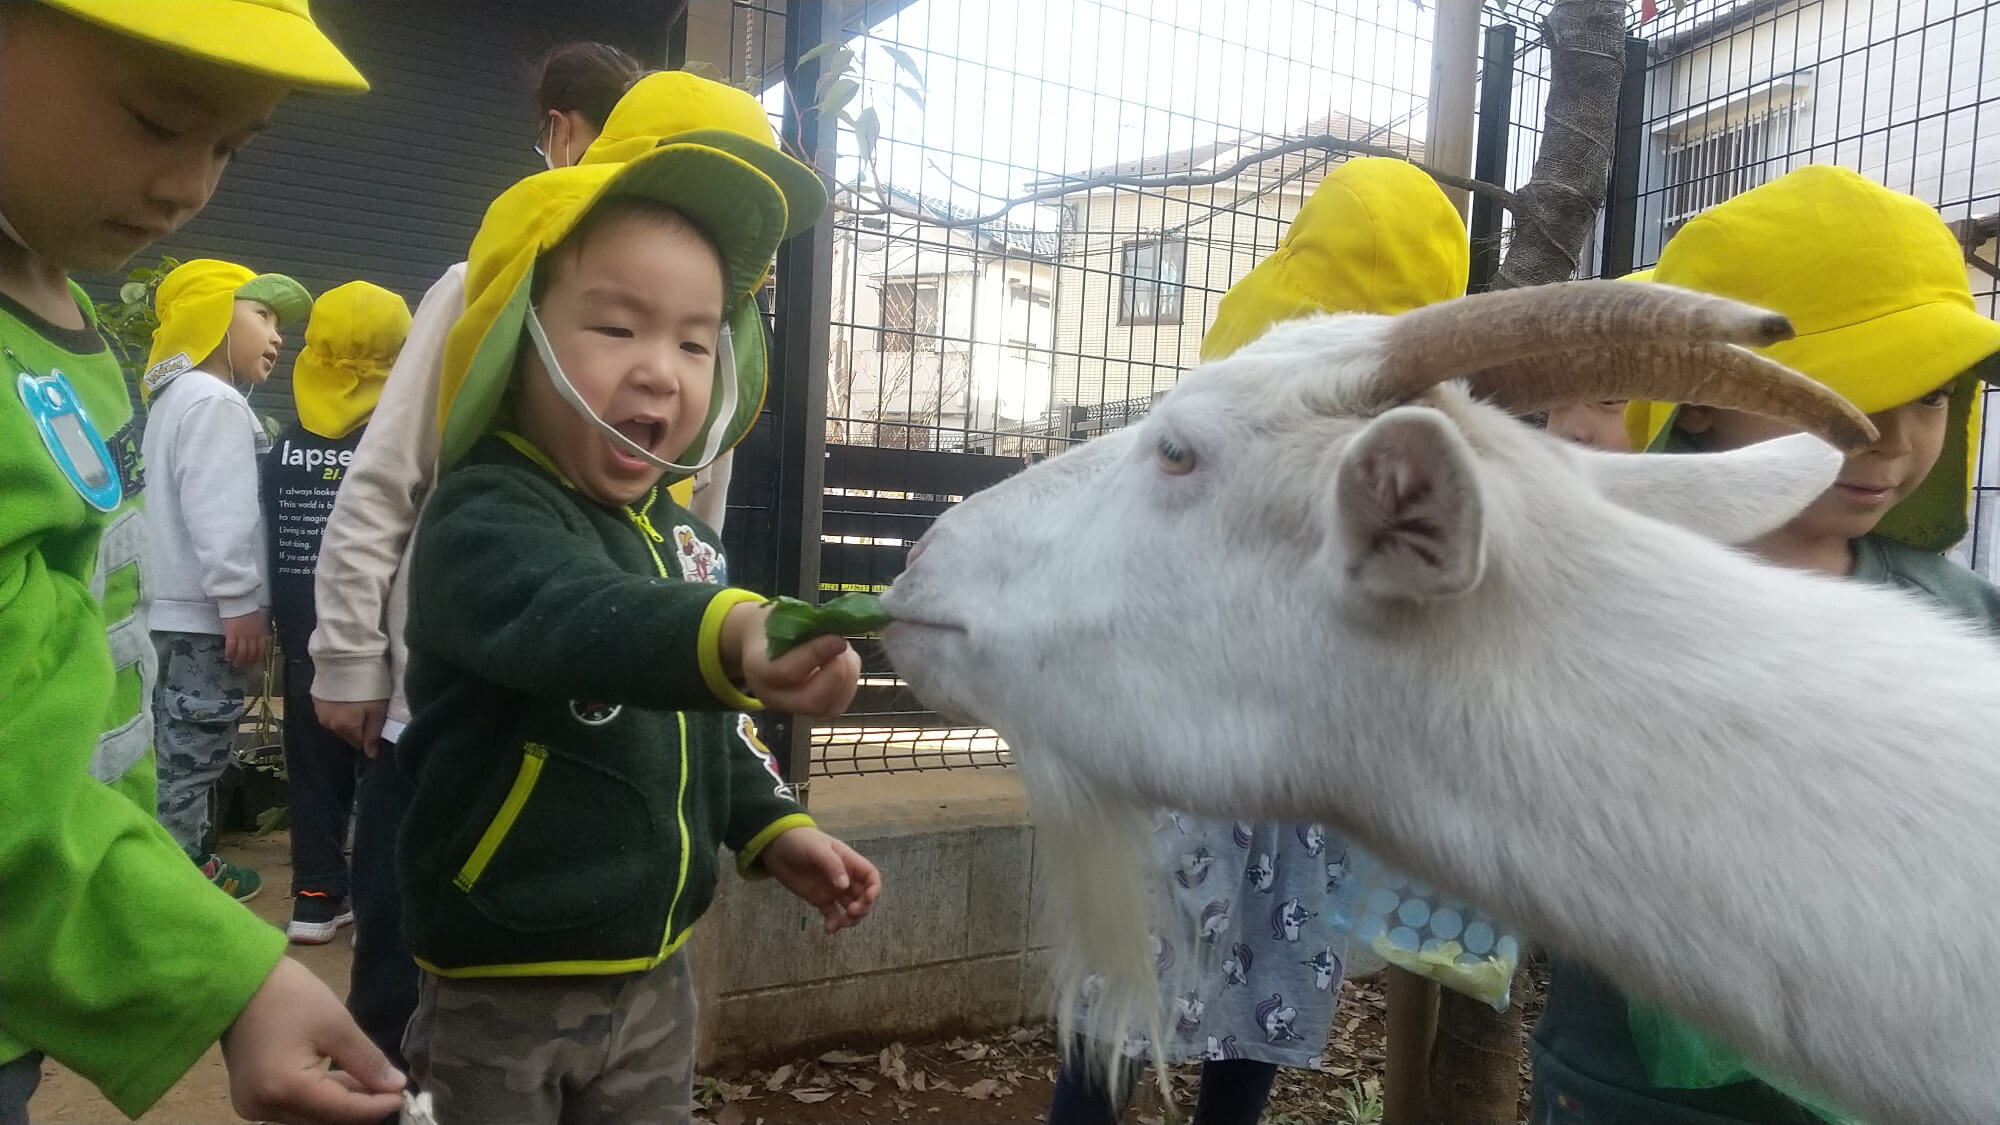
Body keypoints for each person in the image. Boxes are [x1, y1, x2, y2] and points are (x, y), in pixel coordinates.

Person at [396, 99, 875, 1122]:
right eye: (616, 326)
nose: (660, 367)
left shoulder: (678, 535)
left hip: (654, 975)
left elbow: (704, 720)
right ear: (512, 336)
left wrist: (768, 824)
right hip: (501, 977)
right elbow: (580, 620)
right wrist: (739, 630)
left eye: (697, 344)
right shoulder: (482, 516)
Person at [0, 2, 405, 1122]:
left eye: (230, 145)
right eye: (156, 118)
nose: (189, 184)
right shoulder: (212, 406)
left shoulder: (67, 313)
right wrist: (216, 973)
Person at [1528, 164, 2000, 1125]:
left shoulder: (1963, 628)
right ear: (1695, 398)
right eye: (1840, 393)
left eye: (1929, 396)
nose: (1888, 439)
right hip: (1631, 1092)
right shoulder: (1605, 598)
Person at [307, 54, 751, 1068]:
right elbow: (387, 478)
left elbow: (693, 526)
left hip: (613, 714)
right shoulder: (487, 285)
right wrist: (347, 656)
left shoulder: (710, 341)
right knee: (403, 976)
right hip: (455, 710)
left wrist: (711, 631)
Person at [1048, 158, 1472, 1125]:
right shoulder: (1212, 441)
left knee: (1235, 1005)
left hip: (1278, 784)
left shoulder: (1387, 470)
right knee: (1122, 1012)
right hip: (1181, 771)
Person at [140, 257, 311, 900]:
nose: (277, 335)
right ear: (211, 320)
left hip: (165, 610)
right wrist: (240, 603)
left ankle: (161, 859)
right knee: (197, 749)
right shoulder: (215, 402)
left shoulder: (171, 402)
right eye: (262, 315)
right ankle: (178, 880)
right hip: (204, 616)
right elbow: (224, 512)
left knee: (163, 742)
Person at [261, 280, 412, 943]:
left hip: (302, 634)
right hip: (381, 642)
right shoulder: (395, 443)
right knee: (384, 778)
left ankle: (315, 898)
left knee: (313, 773)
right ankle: (387, 903)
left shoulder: (286, 447)